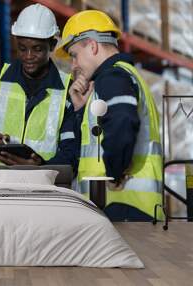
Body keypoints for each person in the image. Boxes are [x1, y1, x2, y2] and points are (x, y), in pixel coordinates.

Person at [56, 10, 162, 221]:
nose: (73, 65)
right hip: (129, 208)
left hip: (121, 205)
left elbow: (122, 120)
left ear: (93, 46)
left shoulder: (113, 76)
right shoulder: (125, 76)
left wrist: (114, 172)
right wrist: (79, 111)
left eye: (75, 55)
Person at [0, 3, 77, 168]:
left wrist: (41, 166)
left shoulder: (68, 91)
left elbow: (71, 151)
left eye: (37, 49)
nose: (28, 56)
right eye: (22, 49)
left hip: (44, 187)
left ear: (52, 45)